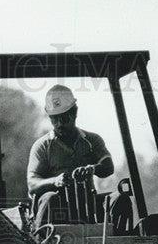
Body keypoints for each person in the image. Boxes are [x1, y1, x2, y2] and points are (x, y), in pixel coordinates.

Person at [27, 84, 114, 228]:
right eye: (54, 119)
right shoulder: (43, 146)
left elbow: (108, 166)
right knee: (51, 198)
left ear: (74, 113)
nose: (59, 124)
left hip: (88, 207)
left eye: (64, 118)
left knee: (119, 199)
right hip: (57, 210)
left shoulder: (91, 140)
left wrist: (93, 169)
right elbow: (32, 183)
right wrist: (55, 181)